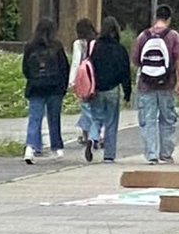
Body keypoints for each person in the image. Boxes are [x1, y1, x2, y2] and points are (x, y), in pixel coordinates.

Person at [131, 4, 179, 165]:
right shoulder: (173, 36)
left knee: (148, 119)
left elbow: (135, 60)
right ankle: (166, 154)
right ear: (169, 19)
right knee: (167, 119)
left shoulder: (143, 36)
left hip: (146, 84)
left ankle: (152, 154)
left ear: (156, 17)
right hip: (166, 84)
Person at [22, 16, 69, 164]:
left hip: (36, 88)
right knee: (54, 119)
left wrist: (33, 80)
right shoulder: (57, 46)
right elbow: (64, 68)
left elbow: (25, 69)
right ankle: (57, 149)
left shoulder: (30, 46)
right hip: (55, 88)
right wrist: (63, 87)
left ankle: (30, 148)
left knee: (34, 119)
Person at [86, 16, 131, 163]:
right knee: (111, 122)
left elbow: (90, 67)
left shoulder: (96, 47)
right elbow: (125, 72)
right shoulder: (120, 49)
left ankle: (92, 138)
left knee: (96, 118)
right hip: (113, 89)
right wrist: (127, 92)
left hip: (97, 88)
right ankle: (109, 155)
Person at [68, 18, 99, 147]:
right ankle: (96, 135)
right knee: (96, 109)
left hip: (83, 78)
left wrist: (71, 81)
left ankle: (89, 136)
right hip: (96, 77)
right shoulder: (97, 42)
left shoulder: (79, 43)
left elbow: (76, 62)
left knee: (85, 107)